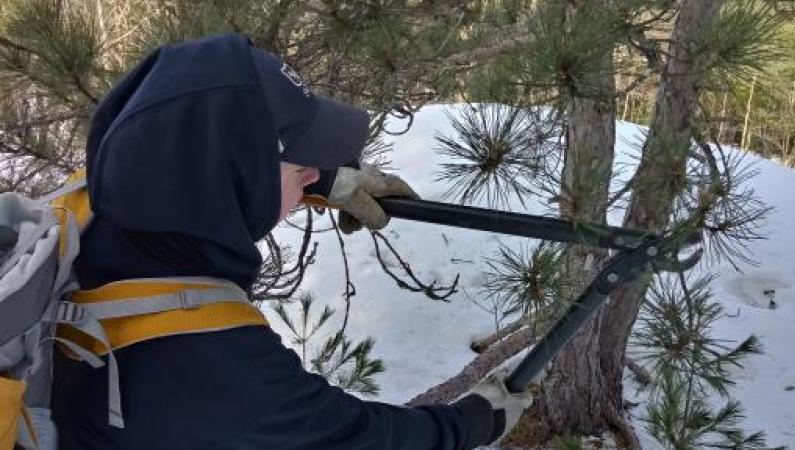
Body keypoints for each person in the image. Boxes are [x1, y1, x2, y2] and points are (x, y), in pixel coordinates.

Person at [52, 33, 532, 450]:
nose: (310, 171)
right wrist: (473, 422)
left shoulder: (103, 199)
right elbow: (362, 439)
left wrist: (320, 180)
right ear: (235, 180)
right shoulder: (223, 372)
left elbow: (198, 165)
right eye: (295, 165)